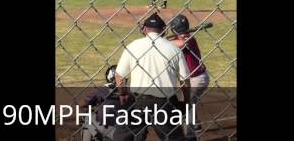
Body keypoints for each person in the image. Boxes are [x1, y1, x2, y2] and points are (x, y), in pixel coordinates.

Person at [113, 12, 191, 141]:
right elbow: (184, 80)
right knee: (174, 138)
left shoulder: (133, 46)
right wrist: (186, 100)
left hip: (138, 100)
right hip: (164, 103)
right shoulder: (174, 49)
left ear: (144, 29)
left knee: (122, 136)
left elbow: (119, 75)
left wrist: (122, 94)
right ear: (164, 31)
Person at [169, 14, 210, 141]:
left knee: (186, 104)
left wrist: (161, 41)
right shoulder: (179, 38)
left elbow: (179, 44)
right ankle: (196, 124)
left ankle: (190, 135)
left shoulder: (188, 39)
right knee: (189, 101)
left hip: (197, 79)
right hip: (193, 78)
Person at [78, 65, 122, 141]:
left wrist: (95, 105)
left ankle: (95, 136)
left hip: (105, 128)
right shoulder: (129, 91)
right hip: (122, 131)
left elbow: (82, 104)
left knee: (86, 116)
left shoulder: (103, 89)